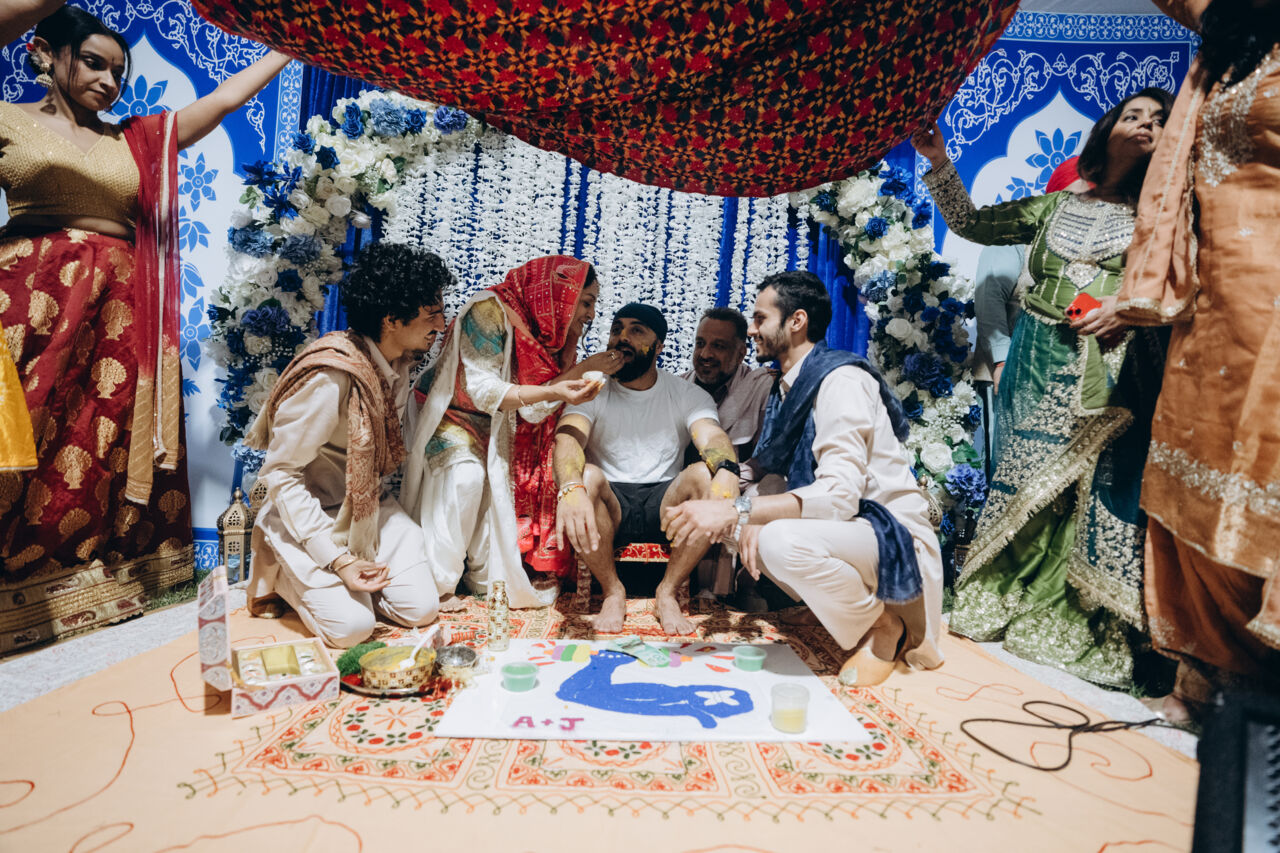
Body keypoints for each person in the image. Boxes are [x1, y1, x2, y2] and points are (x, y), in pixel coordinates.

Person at [0, 3, 291, 655]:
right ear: (45, 54)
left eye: (118, 72)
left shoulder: (134, 139)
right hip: (33, 305)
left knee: (99, 441)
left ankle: (91, 582)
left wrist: (293, 46)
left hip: (121, 313)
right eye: (93, 63)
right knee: (24, 438)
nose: (108, 81)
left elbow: (223, 100)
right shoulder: (7, 120)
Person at [910, 88, 1174, 688]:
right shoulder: (1054, 206)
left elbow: (1181, 282)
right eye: (1133, 114)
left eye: (1159, 120)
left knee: (1098, 487)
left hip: (1113, 365)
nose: (1145, 124)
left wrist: (1127, 308)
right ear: (1107, 130)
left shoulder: (1165, 216)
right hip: (1036, 358)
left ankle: (1086, 618)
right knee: (1027, 482)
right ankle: (1004, 597)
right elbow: (971, 224)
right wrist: (939, 160)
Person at [1117, 0, 1280, 717]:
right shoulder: (1232, 43)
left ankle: (1263, 691)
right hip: (1212, 306)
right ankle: (1210, 675)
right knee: (1192, 474)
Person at [664, 271, 944, 686]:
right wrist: (716, 487)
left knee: (774, 538)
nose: (752, 330)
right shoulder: (789, 385)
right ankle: (833, 608)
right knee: (728, 518)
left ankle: (886, 626)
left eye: (760, 319)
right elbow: (771, 466)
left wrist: (739, 509)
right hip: (847, 530)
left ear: (796, 321)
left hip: (887, 532)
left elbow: (839, 497)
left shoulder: (840, 382)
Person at [244, 243, 450, 648]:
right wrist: (337, 559)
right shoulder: (331, 376)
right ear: (391, 320)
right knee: (351, 630)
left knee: (421, 610)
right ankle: (278, 572)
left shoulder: (398, 364)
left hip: (365, 507)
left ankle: (348, 588)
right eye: (432, 316)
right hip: (308, 515)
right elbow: (279, 474)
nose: (441, 326)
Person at [402, 255, 613, 609]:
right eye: (586, 302)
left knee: (500, 499)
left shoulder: (552, 333)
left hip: (502, 426)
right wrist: (563, 385)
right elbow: (483, 390)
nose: (591, 315)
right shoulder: (489, 311)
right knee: (466, 477)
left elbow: (533, 409)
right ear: (561, 293)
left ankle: (482, 580)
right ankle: (437, 585)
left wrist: (570, 378)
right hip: (454, 415)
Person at [553, 303, 739, 635]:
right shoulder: (591, 390)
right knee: (586, 477)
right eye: (616, 329)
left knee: (703, 474)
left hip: (665, 504)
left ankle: (666, 592)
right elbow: (568, 438)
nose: (622, 337)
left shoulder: (686, 393)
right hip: (610, 505)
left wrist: (727, 469)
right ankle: (613, 592)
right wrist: (569, 486)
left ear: (659, 346)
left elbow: (711, 435)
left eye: (636, 330)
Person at [972, 157, 1085, 476]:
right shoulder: (1015, 239)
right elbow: (989, 300)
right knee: (1012, 471)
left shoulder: (1086, 252)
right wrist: (1002, 362)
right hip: (1008, 374)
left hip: (1062, 379)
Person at [680, 307, 775, 600]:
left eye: (718, 346)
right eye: (700, 343)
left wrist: (728, 477)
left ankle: (734, 590)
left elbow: (767, 457)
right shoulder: (680, 386)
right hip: (685, 484)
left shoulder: (761, 386)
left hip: (741, 485)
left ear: (741, 352)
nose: (705, 354)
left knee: (765, 491)